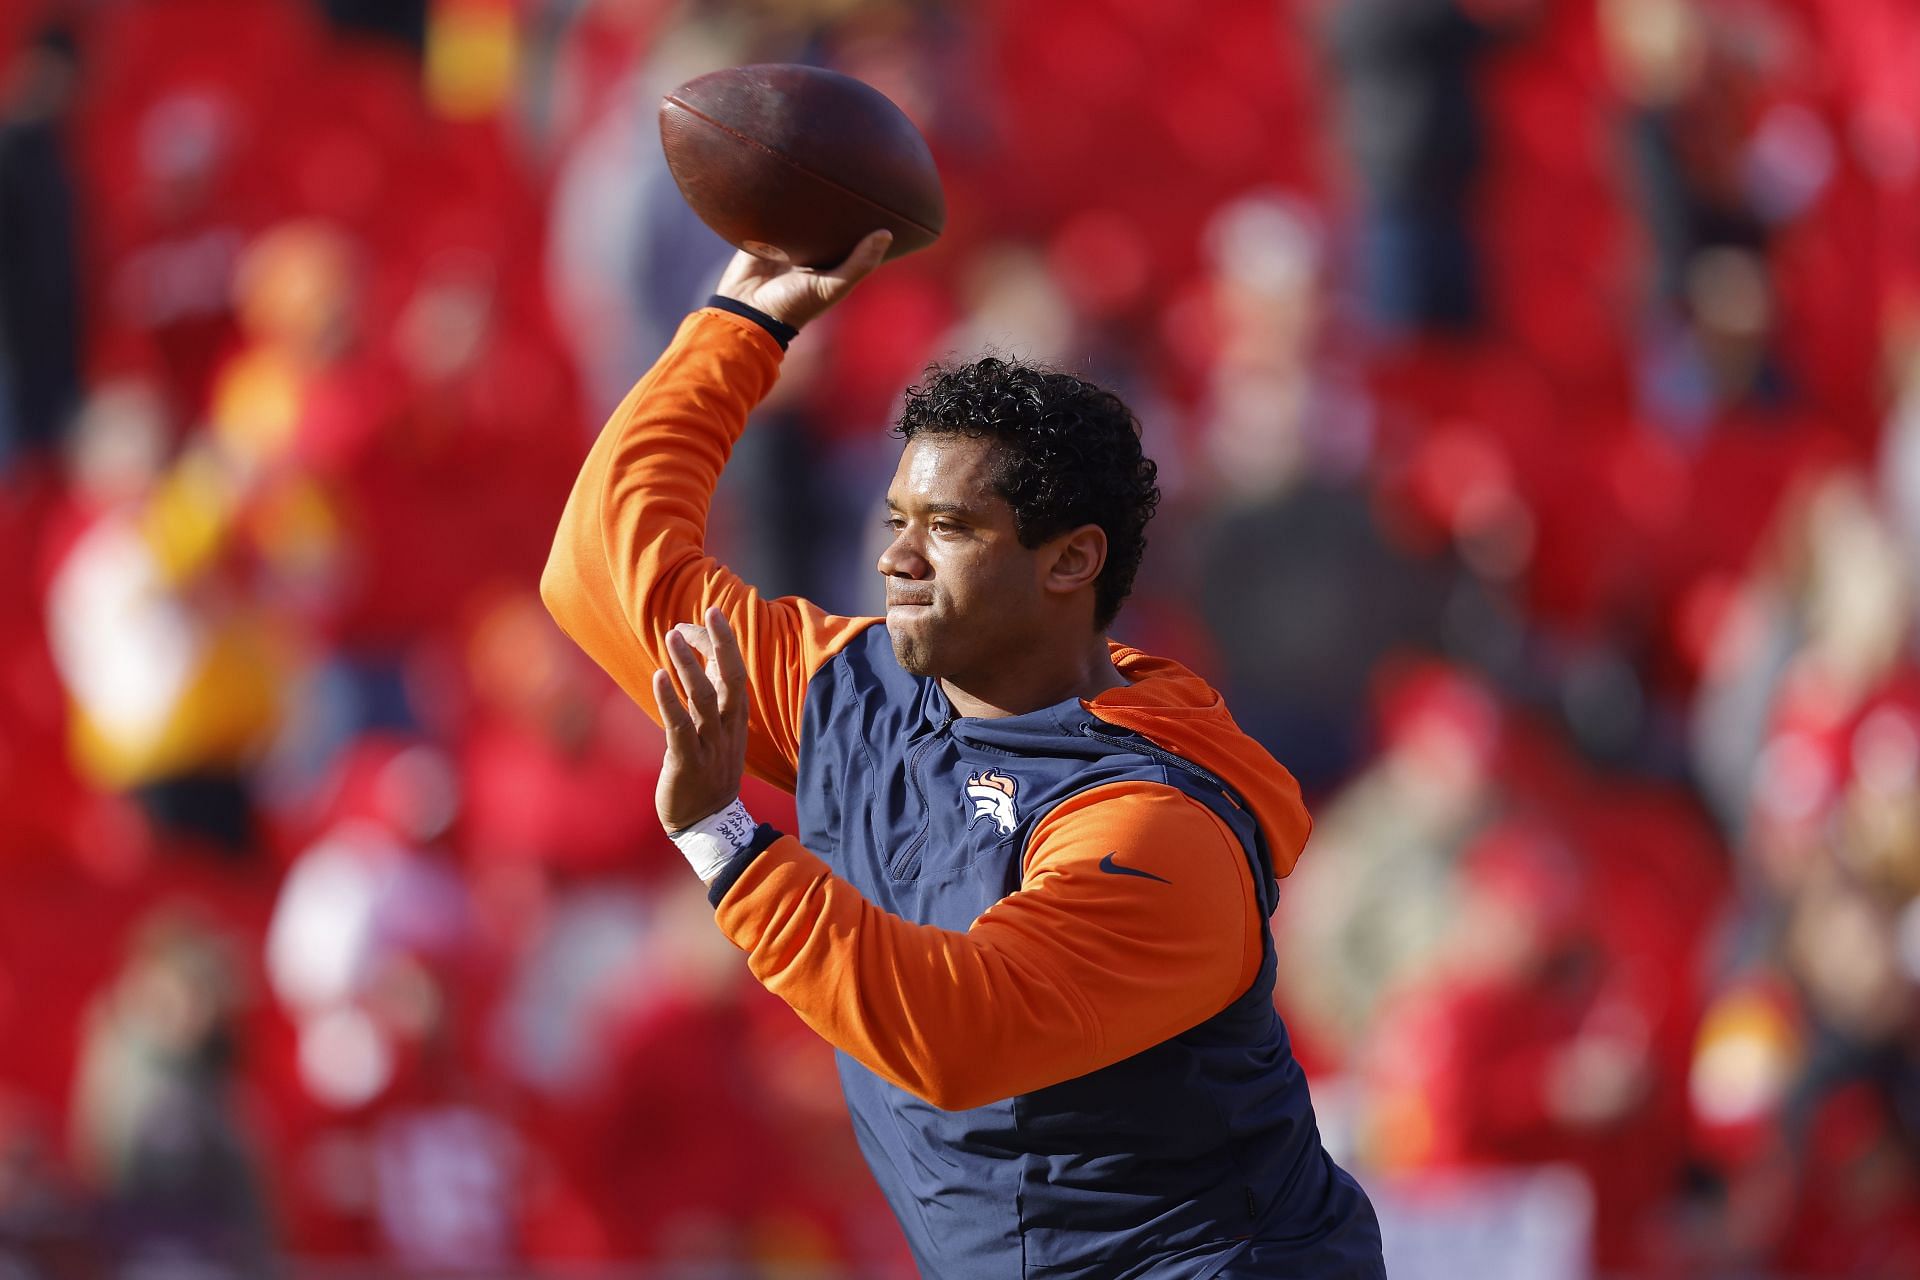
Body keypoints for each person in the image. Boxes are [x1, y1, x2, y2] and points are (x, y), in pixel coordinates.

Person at [540, 230, 1384, 1277]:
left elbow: (958, 1035)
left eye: (946, 526)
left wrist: (729, 844)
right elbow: (601, 571)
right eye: (895, 516)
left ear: (1073, 559)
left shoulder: (1156, 820)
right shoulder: (857, 687)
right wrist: (739, 327)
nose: (893, 555)